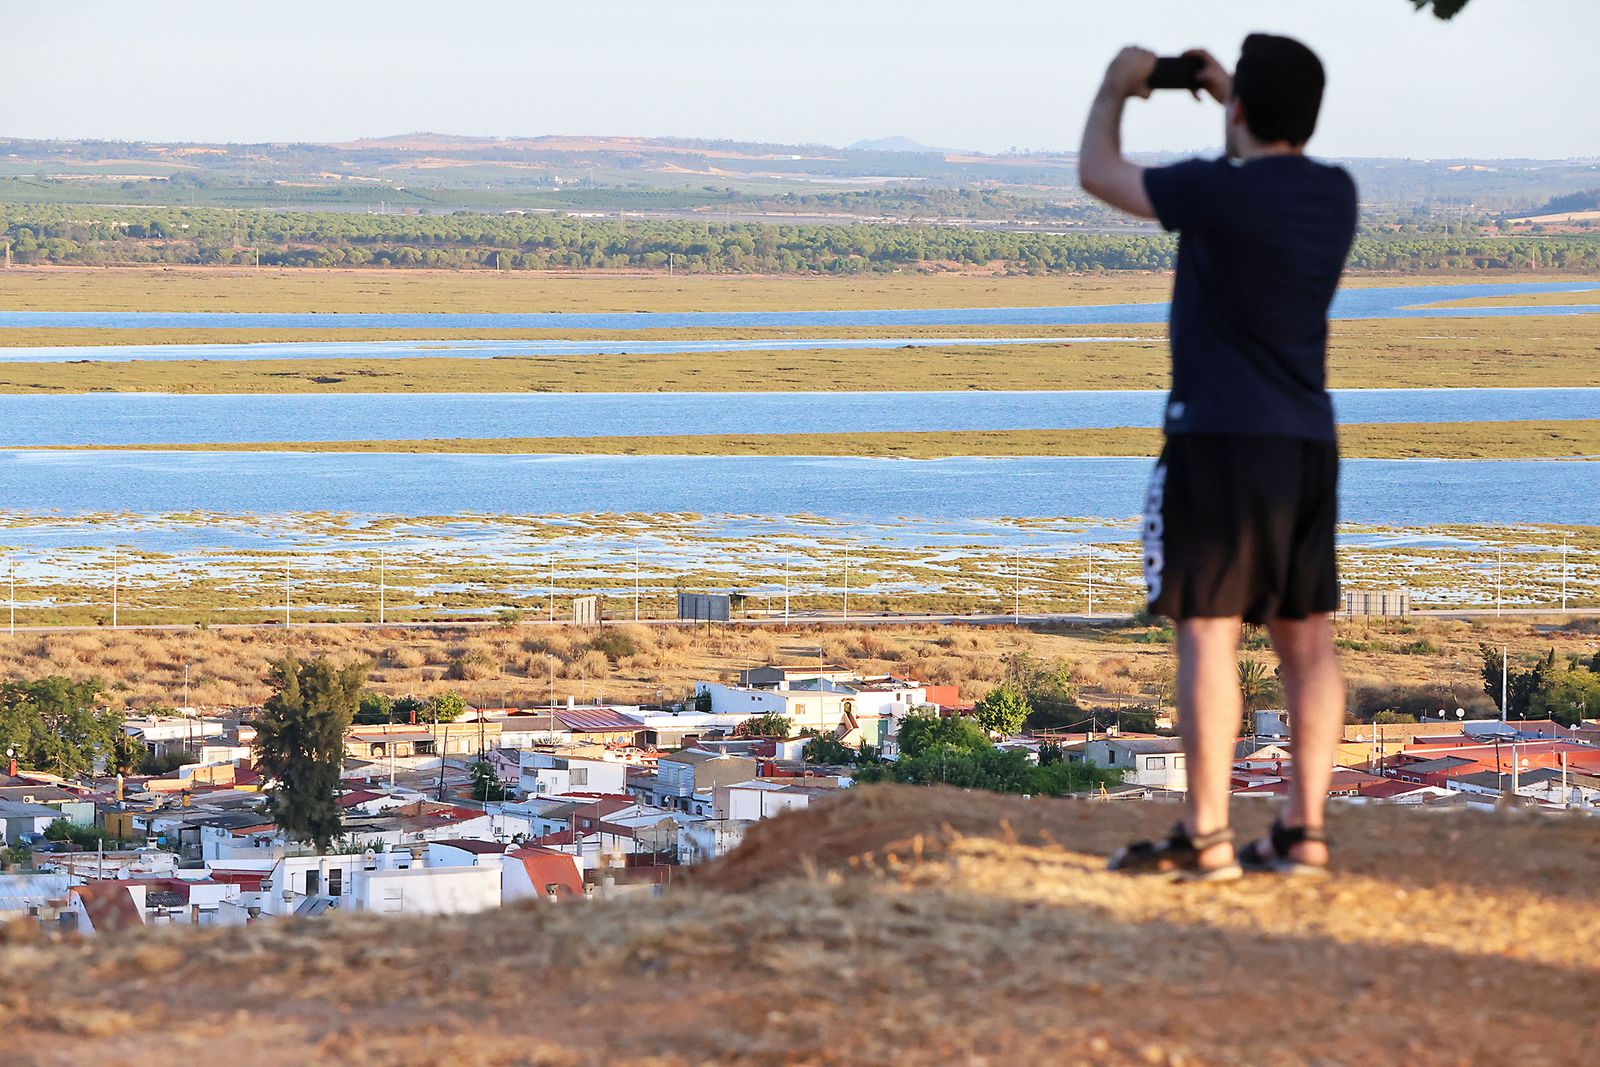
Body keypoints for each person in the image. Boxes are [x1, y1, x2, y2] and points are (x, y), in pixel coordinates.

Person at [1077, 34, 1358, 880]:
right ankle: (1303, 832)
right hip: (1306, 443)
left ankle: (1206, 835)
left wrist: (1117, 86)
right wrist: (1231, 87)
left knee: (1207, 631)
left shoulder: (1213, 191)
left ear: (1237, 110)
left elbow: (1099, 172)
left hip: (1216, 441)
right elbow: (1271, 137)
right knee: (1306, 642)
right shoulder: (1333, 194)